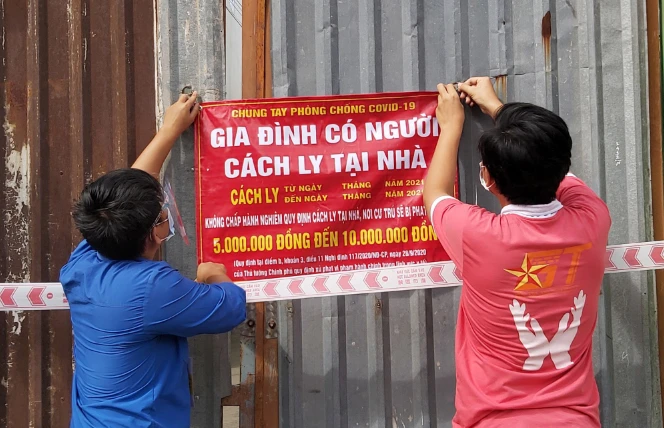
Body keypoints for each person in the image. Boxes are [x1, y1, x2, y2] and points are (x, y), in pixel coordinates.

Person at [423, 78, 611, 427]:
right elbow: (553, 164)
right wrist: (501, 111)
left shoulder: (477, 235)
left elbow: (435, 193)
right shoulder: (593, 220)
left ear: (488, 179)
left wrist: (450, 125)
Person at [60, 91, 247, 428]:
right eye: (161, 219)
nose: (165, 222)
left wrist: (169, 131)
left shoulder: (84, 262)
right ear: (150, 234)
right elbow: (231, 308)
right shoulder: (151, 286)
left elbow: (124, 200)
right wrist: (214, 275)